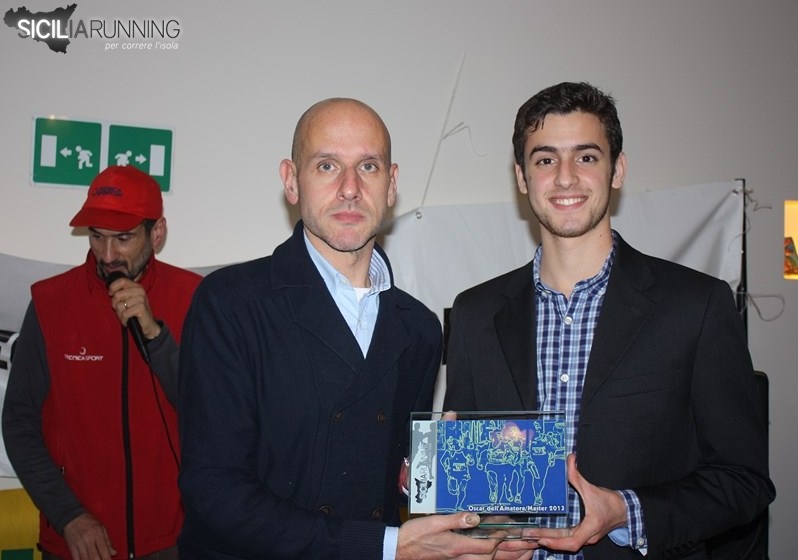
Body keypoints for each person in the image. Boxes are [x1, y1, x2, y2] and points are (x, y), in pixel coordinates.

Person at [177, 98, 531, 560]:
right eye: (327, 165)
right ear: (291, 180)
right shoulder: (230, 303)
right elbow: (214, 492)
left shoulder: (420, 328)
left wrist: (452, 498)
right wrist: (386, 546)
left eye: (368, 166)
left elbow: (388, 481)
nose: (350, 188)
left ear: (392, 184)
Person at [443, 82, 776, 559]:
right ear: (522, 177)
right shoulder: (475, 314)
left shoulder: (695, 306)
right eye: (545, 159)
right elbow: (473, 487)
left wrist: (625, 512)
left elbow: (744, 481)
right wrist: (473, 523)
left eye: (586, 157)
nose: (565, 178)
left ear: (616, 169)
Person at [2, 165, 202, 560]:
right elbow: (19, 422)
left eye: (123, 238)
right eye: (97, 236)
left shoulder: (196, 298)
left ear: (157, 233)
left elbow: (213, 413)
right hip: (78, 542)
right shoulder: (50, 303)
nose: (108, 255)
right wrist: (68, 516)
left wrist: (156, 336)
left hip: (173, 541)